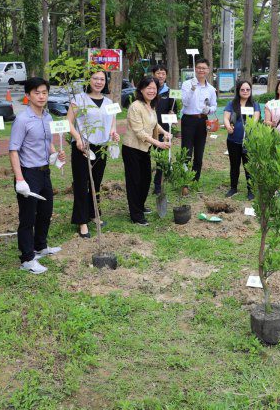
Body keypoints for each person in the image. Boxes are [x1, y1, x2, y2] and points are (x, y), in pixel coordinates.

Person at [9, 77, 66, 274]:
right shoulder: (22, 120)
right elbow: (13, 150)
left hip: (44, 172)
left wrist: (55, 153)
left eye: (44, 92)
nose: (41, 96)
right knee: (27, 217)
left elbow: (47, 141)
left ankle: (40, 246)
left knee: (45, 211)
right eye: (37, 93)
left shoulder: (47, 117)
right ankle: (27, 259)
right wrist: (19, 179)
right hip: (28, 173)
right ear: (28, 96)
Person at [67, 70, 120, 238]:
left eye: (102, 79)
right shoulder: (79, 99)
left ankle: (94, 214)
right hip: (83, 148)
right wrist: (78, 139)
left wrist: (114, 133)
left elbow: (112, 124)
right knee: (82, 184)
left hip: (101, 147)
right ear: (88, 80)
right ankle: (82, 221)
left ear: (106, 82)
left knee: (96, 183)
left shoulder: (110, 102)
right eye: (95, 78)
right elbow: (68, 122)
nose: (98, 82)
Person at [123, 76, 171, 225]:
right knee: (134, 181)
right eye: (148, 88)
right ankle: (135, 215)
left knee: (145, 179)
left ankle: (140, 206)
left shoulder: (151, 105)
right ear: (141, 89)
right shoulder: (135, 106)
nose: (151, 91)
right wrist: (158, 143)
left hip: (144, 148)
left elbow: (154, 125)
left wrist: (164, 132)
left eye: (154, 88)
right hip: (132, 148)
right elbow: (139, 132)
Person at [181, 57, 217, 184]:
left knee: (199, 152)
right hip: (188, 120)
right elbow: (184, 103)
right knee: (186, 151)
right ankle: (184, 180)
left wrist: (209, 110)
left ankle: (195, 180)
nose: (201, 70)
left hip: (202, 121)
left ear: (208, 70)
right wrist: (192, 89)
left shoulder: (211, 89)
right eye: (199, 68)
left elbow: (214, 106)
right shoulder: (187, 84)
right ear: (195, 69)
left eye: (204, 68)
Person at [223, 80, 261, 199]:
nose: (245, 92)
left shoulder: (255, 104)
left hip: (248, 141)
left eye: (247, 89)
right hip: (233, 140)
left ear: (250, 91)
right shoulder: (232, 104)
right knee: (234, 165)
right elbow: (226, 117)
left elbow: (255, 119)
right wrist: (228, 126)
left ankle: (250, 190)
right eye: (242, 89)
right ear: (238, 91)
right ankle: (233, 188)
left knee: (248, 166)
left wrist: (250, 127)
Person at [152, 64, 178, 195]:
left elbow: (174, 112)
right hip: (147, 129)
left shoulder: (170, 93)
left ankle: (158, 185)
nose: (161, 76)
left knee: (160, 159)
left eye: (163, 73)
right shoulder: (149, 90)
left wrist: (172, 114)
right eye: (158, 73)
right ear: (153, 74)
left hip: (162, 130)